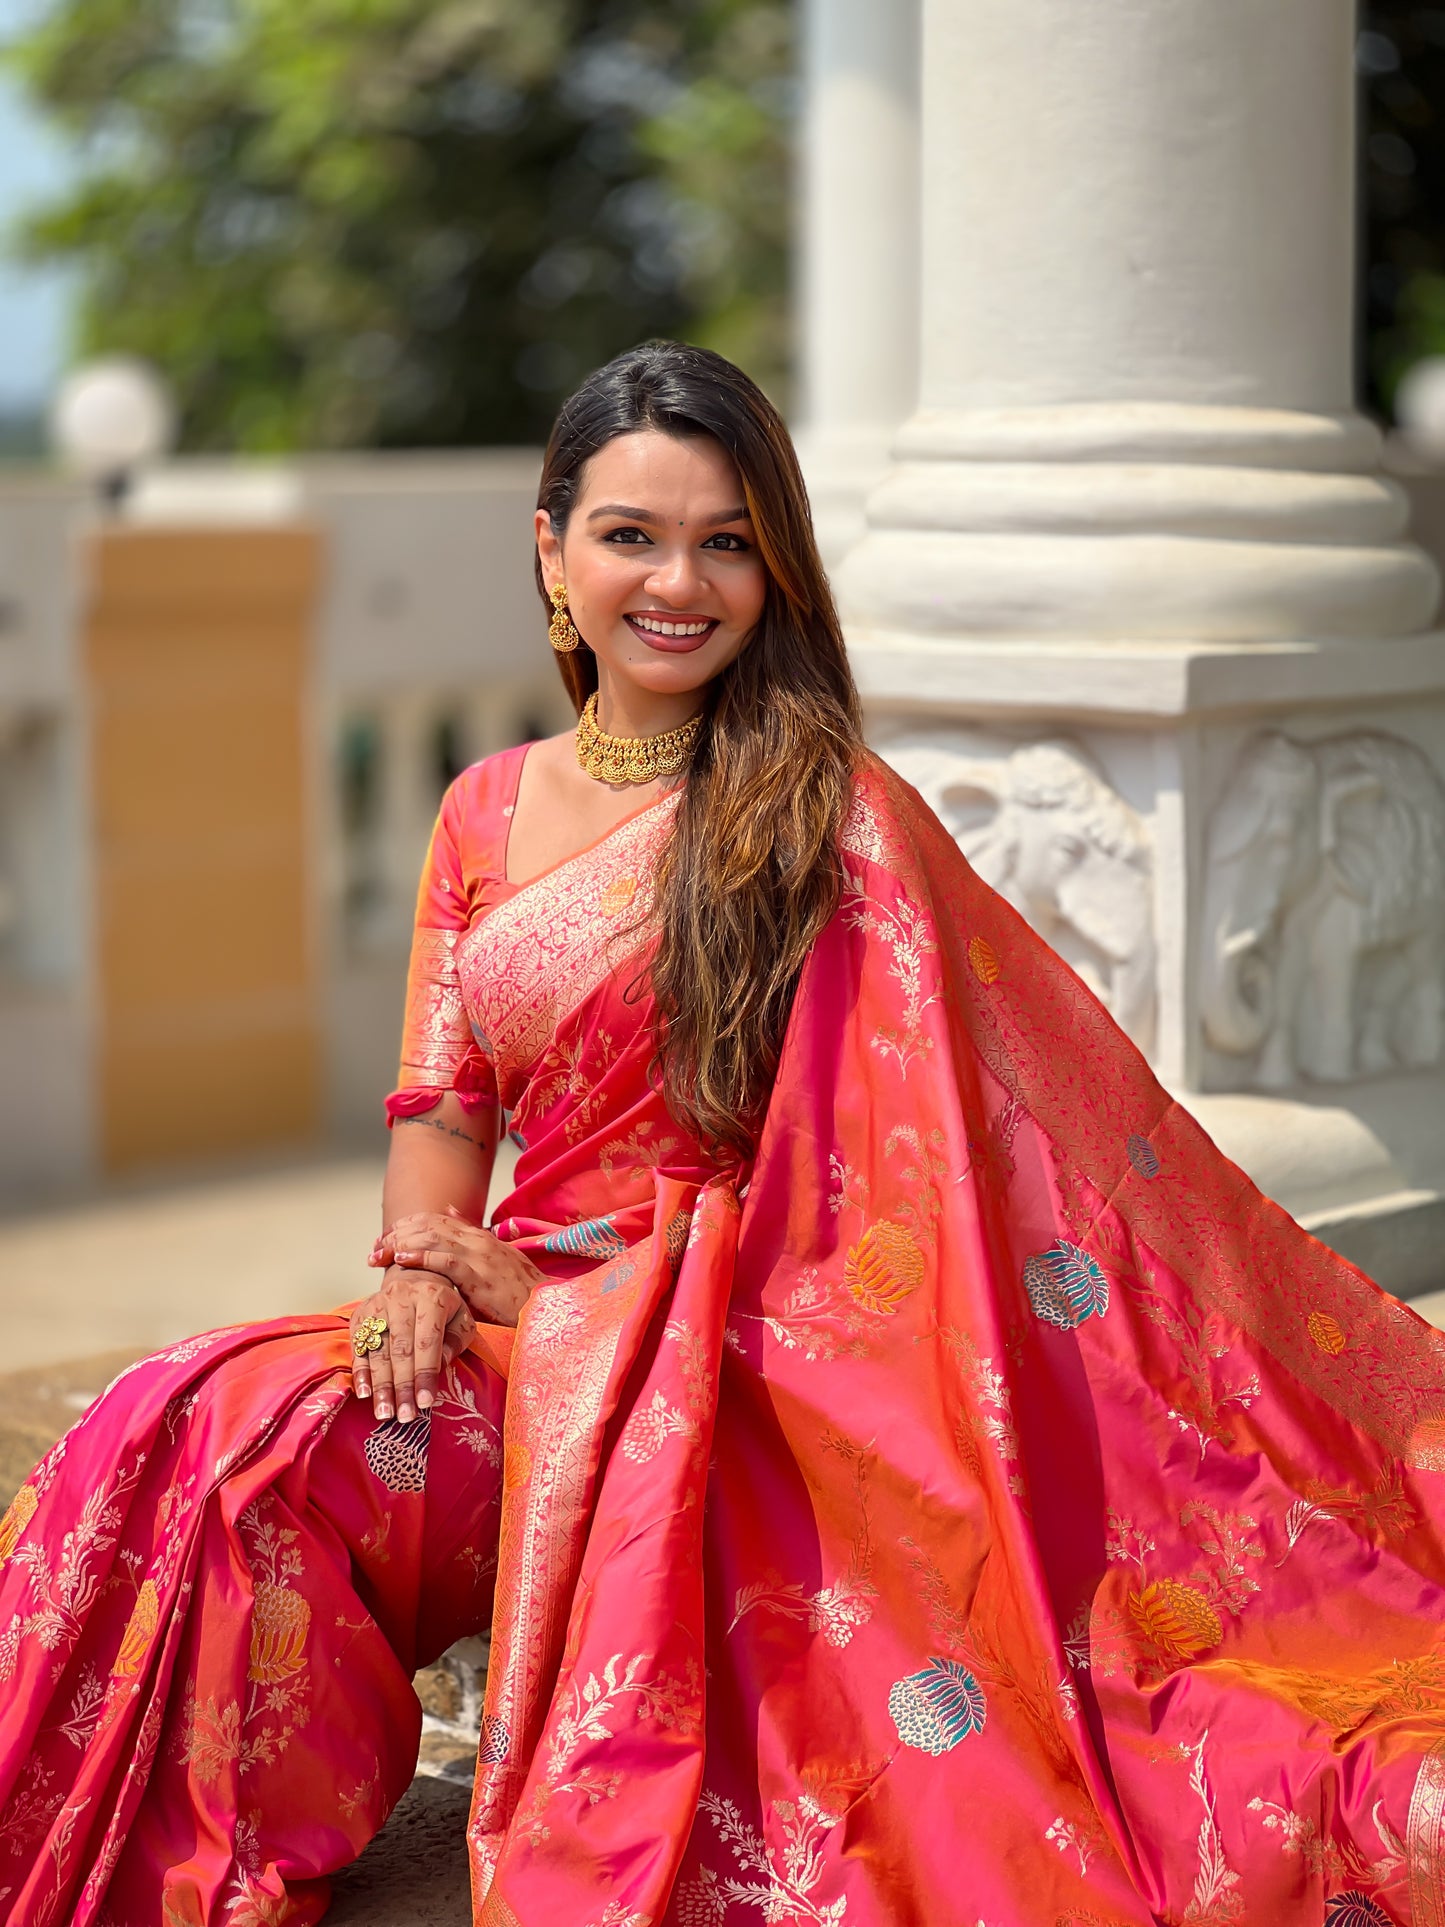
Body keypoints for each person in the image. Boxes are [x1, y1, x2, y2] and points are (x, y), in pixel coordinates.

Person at [2, 340, 1444, 1927]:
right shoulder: (483, 807)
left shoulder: (832, 821)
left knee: (251, 1440)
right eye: (630, 535)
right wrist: (417, 1269)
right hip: (508, 1332)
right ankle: (187, 1873)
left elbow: (895, 1220)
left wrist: (578, 1312)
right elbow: (442, 1105)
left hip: (720, 1376)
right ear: (551, 549)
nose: (677, 582)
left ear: (776, 568)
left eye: (726, 541)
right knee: (190, 1418)